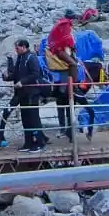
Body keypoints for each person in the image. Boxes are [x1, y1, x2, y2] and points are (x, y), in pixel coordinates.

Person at [44, 10, 82, 141]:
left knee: (63, 107)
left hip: (58, 53)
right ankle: (76, 86)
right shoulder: (65, 25)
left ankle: (64, 129)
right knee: (73, 64)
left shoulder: (60, 24)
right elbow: (67, 40)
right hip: (60, 54)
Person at [11, 39, 48, 152]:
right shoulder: (20, 58)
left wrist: (23, 82)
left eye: (17, 48)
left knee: (33, 118)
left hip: (32, 93)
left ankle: (40, 143)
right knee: (25, 119)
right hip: (22, 94)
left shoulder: (31, 57)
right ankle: (28, 142)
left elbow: (36, 73)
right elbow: (16, 73)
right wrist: (7, 77)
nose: (16, 50)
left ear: (23, 47)